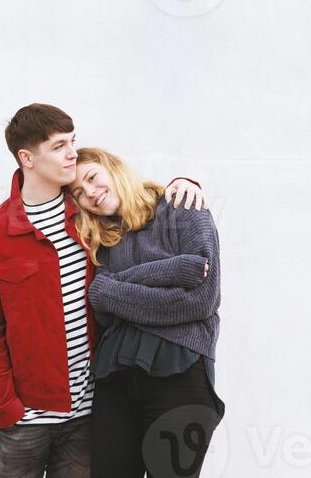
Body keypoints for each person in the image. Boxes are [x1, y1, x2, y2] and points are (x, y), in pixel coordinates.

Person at [0, 103, 206, 478]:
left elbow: (141, 207)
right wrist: (5, 406)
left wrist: (183, 183)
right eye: (59, 146)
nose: (71, 152)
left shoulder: (91, 218)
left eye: (72, 141)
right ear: (27, 158)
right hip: (26, 417)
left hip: (92, 411)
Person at [71, 146, 225, 478]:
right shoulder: (103, 238)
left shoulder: (184, 208)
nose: (91, 194)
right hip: (115, 379)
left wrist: (115, 288)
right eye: (79, 194)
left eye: (93, 178)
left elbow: (202, 299)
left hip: (181, 372)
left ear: (114, 168)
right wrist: (176, 270)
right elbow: (101, 305)